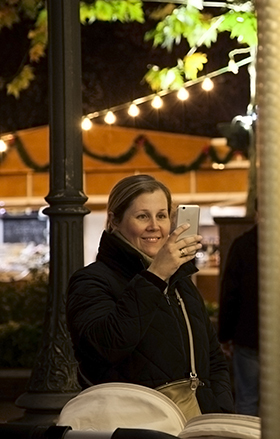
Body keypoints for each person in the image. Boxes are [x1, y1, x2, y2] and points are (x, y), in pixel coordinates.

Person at [67, 174, 234, 414]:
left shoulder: (182, 283)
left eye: (162, 215)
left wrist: (219, 410)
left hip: (196, 421)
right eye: (142, 216)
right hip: (136, 422)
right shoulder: (91, 280)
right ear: (114, 221)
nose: (154, 226)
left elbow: (214, 360)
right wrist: (155, 275)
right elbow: (106, 347)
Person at [218, 210, 280, 426]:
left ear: (257, 215)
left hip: (247, 335)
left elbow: (229, 293)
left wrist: (225, 335)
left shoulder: (242, 246)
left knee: (247, 398)